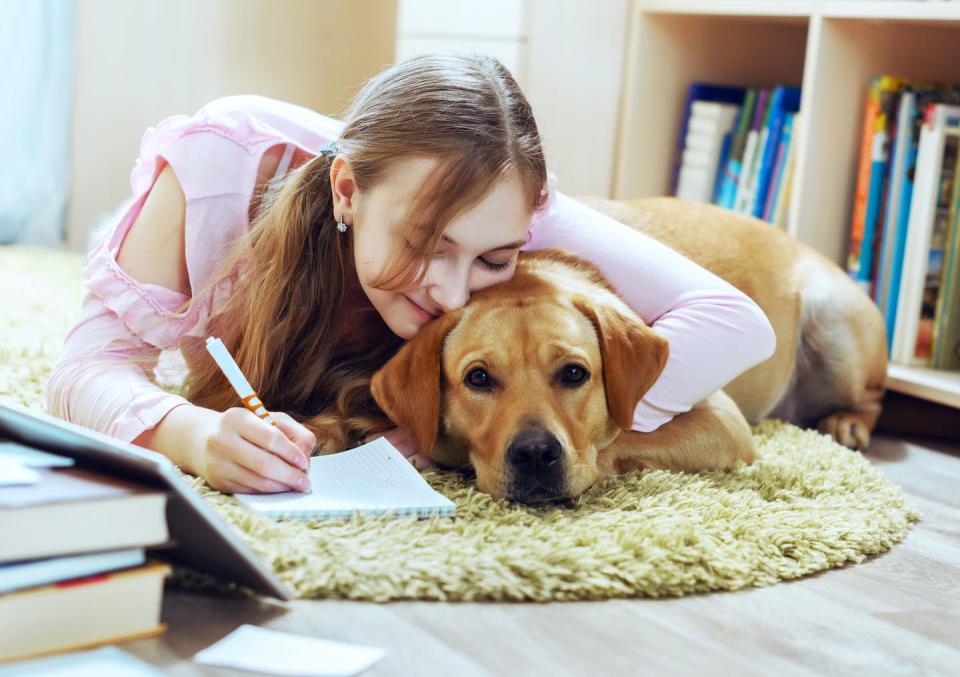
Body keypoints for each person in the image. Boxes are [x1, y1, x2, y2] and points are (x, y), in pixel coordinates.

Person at [46, 53, 776, 495]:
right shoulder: (218, 166)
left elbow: (737, 321)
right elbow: (83, 370)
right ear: (346, 192)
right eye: (424, 244)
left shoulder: (514, 206)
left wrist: (592, 429)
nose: (454, 293)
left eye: (491, 259)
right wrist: (194, 435)